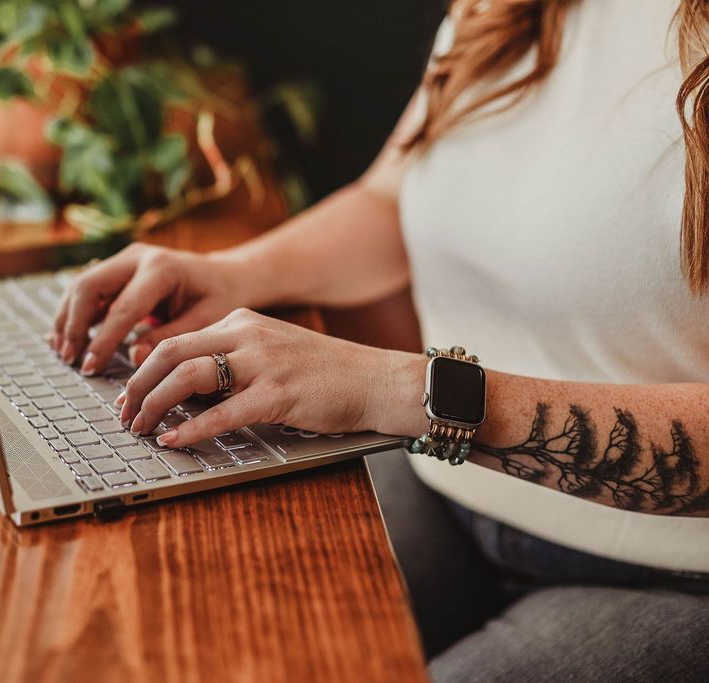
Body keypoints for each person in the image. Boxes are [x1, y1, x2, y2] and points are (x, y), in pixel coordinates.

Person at [49, 1, 709, 679]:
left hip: (670, 574)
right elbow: (394, 198)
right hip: (445, 485)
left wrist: (395, 389)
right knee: (186, 633)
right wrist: (233, 274)